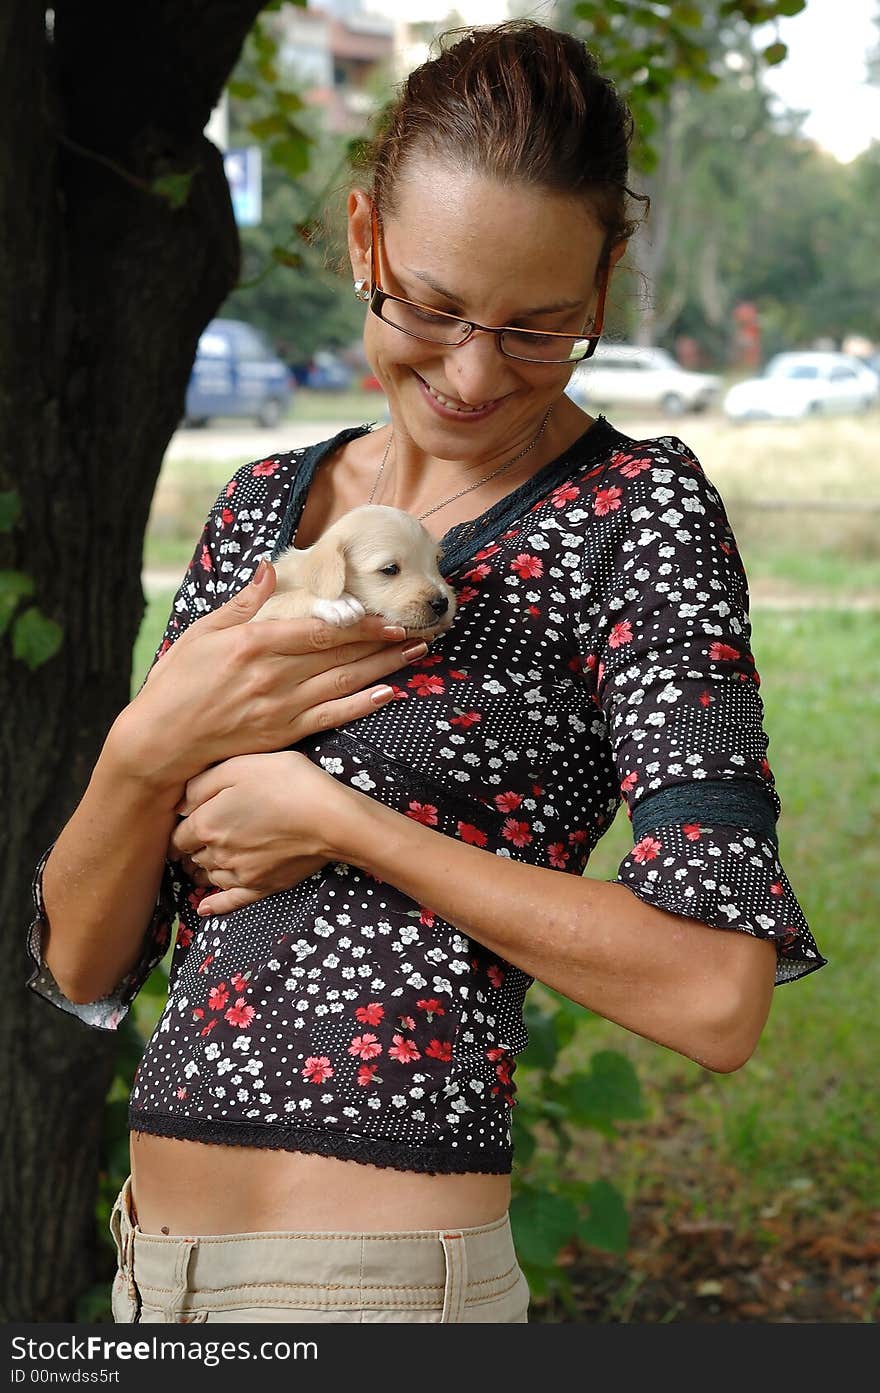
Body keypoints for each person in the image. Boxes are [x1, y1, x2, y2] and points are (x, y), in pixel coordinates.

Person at [25, 20, 826, 1325]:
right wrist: (142, 747)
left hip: (385, 1289)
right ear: (362, 242)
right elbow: (81, 967)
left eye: (536, 329)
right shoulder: (261, 507)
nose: (468, 372)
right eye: (434, 306)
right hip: (151, 1275)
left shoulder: (638, 513)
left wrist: (340, 822)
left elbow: (715, 991)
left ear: (607, 283)